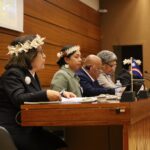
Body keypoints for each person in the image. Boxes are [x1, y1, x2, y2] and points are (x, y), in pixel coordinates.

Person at [0, 34, 76, 150]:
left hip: (29, 128)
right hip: (15, 129)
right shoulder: (12, 73)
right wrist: (46, 94)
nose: (45, 56)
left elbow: (33, 96)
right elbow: (19, 98)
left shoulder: (31, 74)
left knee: (61, 145)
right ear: (29, 55)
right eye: (41, 53)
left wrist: (60, 94)